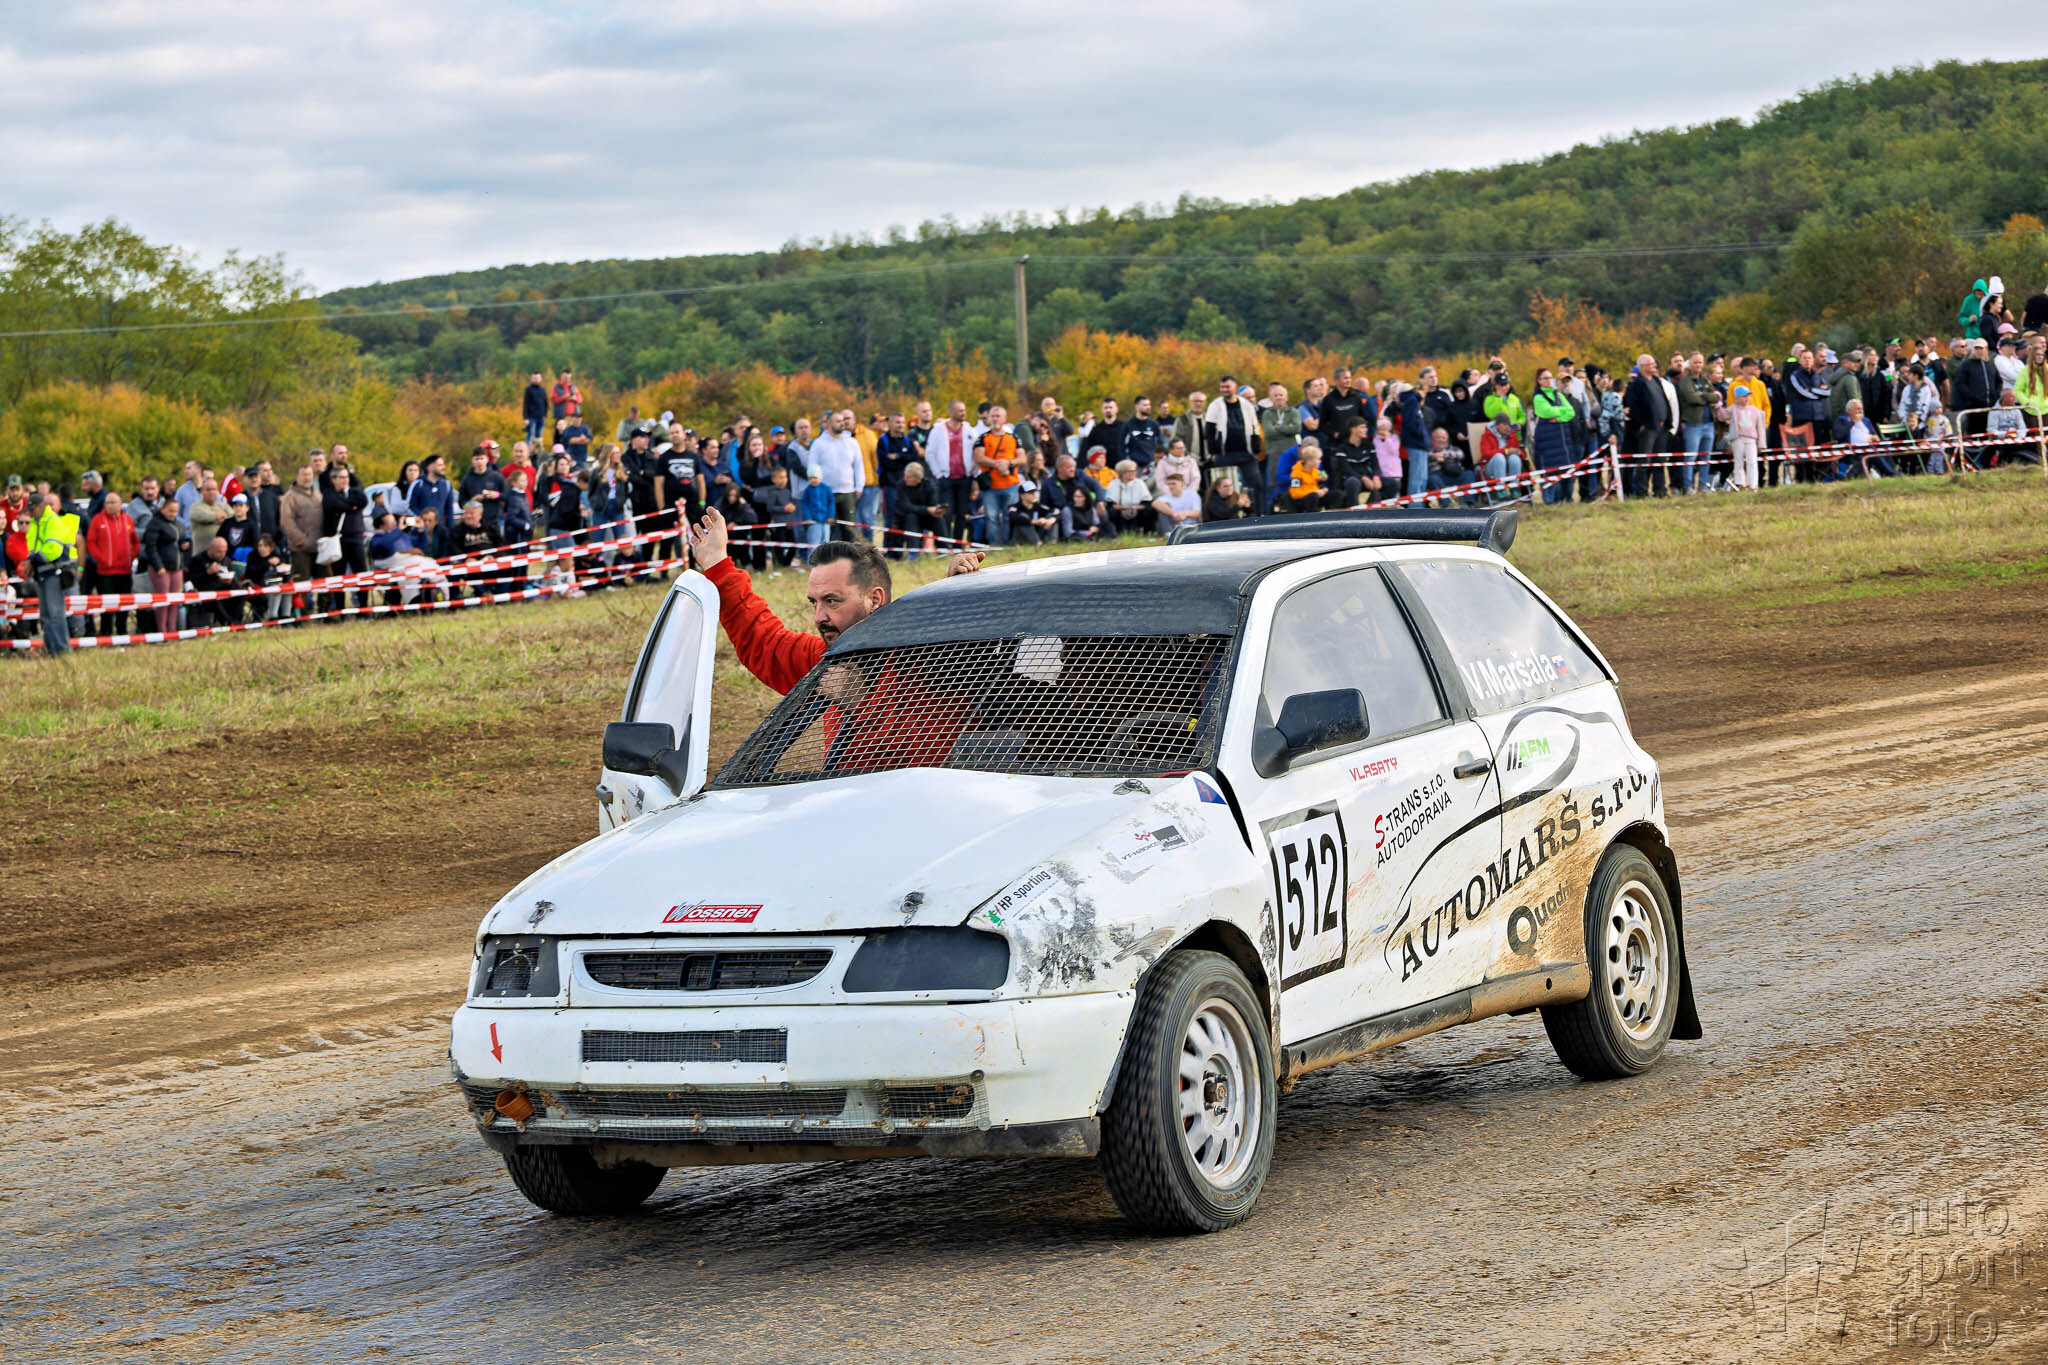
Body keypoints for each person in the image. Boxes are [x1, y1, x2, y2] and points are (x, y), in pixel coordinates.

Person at [689, 505, 980, 695]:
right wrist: (717, 564)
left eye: (832, 601)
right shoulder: (829, 658)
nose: (819, 617)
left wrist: (958, 595)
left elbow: (941, 750)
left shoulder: (927, 659)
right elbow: (766, 644)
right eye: (814, 602)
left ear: (875, 599)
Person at [23, 492, 81, 654]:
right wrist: (30, 561)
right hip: (42, 572)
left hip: (54, 572)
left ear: (41, 506)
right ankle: (51, 649)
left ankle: (62, 649)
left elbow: (53, 550)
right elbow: (32, 548)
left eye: (33, 509)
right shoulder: (35, 524)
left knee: (55, 613)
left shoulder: (52, 521)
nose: (31, 513)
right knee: (46, 614)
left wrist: (32, 561)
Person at [1204, 377, 1265, 513]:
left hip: (1246, 452)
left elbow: (1255, 428)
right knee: (1226, 487)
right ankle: (1230, 516)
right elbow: (1209, 431)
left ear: (1235, 388)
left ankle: (1257, 514)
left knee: (1256, 485)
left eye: (1227, 387)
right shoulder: (1215, 405)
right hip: (1225, 454)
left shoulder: (1246, 405)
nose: (1224, 390)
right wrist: (1213, 452)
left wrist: (1256, 449)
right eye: (1222, 387)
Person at [83, 493, 139, 636]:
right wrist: (101, 558)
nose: (110, 505)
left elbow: (135, 541)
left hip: (125, 570)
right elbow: (91, 542)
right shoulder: (97, 520)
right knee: (107, 605)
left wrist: (131, 556)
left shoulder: (128, 519)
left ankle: (122, 631)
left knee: (124, 604)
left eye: (113, 502)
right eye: (108, 503)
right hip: (105, 572)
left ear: (121, 503)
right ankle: (105, 632)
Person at [368, 512, 450, 606]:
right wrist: (399, 530)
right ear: (382, 525)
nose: (395, 524)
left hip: (415, 567)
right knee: (413, 572)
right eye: (391, 522)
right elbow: (385, 545)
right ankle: (414, 602)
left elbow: (422, 544)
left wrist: (421, 529)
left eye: (395, 521)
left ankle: (442, 598)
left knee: (430, 565)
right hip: (392, 570)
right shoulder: (378, 537)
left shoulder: (401, 535)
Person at [320, 463, 369, 610]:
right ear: (333, 479)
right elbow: (333, 505)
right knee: (339, 576)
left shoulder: (355, 491)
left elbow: (362, 501)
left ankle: (363, 608)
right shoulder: (328, 494)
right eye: (341, 477)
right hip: (339, 540)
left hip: (356, 537)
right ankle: (340, 608)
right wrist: (350, 506)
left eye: (346, 477)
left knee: (361, 573)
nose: (344, 480)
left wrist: (346, 504)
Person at [140, 493, 190, 633]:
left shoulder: (178, 524)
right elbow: (150, 547)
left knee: (174, 600)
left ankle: (172, 629)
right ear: (163, 509)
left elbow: (179, 540)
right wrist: (158, 566)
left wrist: (183, 546)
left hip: (177, 567)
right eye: (170, 511)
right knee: (163, 600)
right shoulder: (155, 523)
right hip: (161, 568)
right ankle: (162, 630)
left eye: (175, 511)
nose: (173, 514)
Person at [972, 405, 1020, 546]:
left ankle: (1006, 544)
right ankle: (993, 545)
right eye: (992, 416)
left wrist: (1009, 463)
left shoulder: (1013, 437)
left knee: (1007, 516)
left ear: (1004, 419)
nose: (995, 419)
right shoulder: (983, 438)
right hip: (990, 486)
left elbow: (1022, 458)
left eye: (998, 416)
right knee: (991, 517)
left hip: (1010, 484)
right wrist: (998, 464)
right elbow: (978, 457)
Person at [1724, 383, 1766, 491]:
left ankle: (1753, 484)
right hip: (1738, 439)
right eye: (1744, 396)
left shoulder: (1755, 410)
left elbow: (1760, 428)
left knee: (1752, 462)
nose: (1747, 399)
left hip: (1751, 439)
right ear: (1737, 398)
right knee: (1738, 461)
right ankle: (1740, 483)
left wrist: (1761, 444)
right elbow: (1722, 415)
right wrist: (1717, 405)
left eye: (1748, 396)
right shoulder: (1733, 409)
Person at [459, 446, 508, 536]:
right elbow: (461, 502)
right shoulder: (467, 479)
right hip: (475, 524)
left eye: (482, 458)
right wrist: (472, 501)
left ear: (487, 459)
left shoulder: (496, 476)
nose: (479, 462)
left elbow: (507, 495)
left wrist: (496, 495)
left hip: (495, 521)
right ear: (472, 461)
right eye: (476, 459)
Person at [1479, 412, 1526, 501]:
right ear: (1497, 425)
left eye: (1508, 424)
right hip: (1491, 467)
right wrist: (1506, 451)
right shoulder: (1487, 435)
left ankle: (1514, 488)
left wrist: (1519, 452)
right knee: (1499, 457)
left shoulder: (1511, 434)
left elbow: (1519, 450)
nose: (1507, 427)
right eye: (1504, 424)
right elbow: (1486, 454)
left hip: (1508, 466)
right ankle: (1500, 489)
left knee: (1515, 458)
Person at [1101, 460, 1153, 536]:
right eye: (1131, 471)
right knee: (1112, 512)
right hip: (1120, 510)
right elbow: (1112, 504)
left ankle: (1145, 532)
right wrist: (1128, 508)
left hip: (1137, 510)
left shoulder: (1139, 482)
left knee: (1149, 510)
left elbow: (1146, 503)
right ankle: (1117, 532)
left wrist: (1134, 508)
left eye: (1134, 471)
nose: (1134, 473)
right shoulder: (1114, 483)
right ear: (1122, 472)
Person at [798, 464, 834, 550]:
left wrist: (830, 516)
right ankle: (811, 558)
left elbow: (831, 503)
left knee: (825, 543)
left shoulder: (826, 488)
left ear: (820, 477)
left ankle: (824, 558)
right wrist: (808, 518)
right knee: (813, 544)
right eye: (810, 478)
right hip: (813, 522)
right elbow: (805, 505)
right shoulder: (807, 490)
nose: (813, 480)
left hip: (825, 521)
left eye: (815, 477)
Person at [1279, 445, 1325, 513]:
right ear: (1309, 461)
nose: (1320, 461)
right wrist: (1314, 492)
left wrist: (1323, 489)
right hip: (1302, 501)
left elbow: (1324, 476)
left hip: (1314, 496)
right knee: (1313, 497)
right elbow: (1295, 493)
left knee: (1336, 495)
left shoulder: (1316, 471)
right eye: (1318, 459)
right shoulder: (1296, 474)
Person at [522, 373, 549, 443]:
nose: (536, 380)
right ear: (531, 379)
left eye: (537, 378)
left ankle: (538, 449)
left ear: (541, 379)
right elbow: (525, 404)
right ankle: (527, 449)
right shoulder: (528, 389)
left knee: (539, 437)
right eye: (534, 378)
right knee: (530, 436)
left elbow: (546, 403)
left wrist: (545, 415)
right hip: (531, 417)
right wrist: (525, 418)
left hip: (541, 417)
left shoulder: (543, 389)